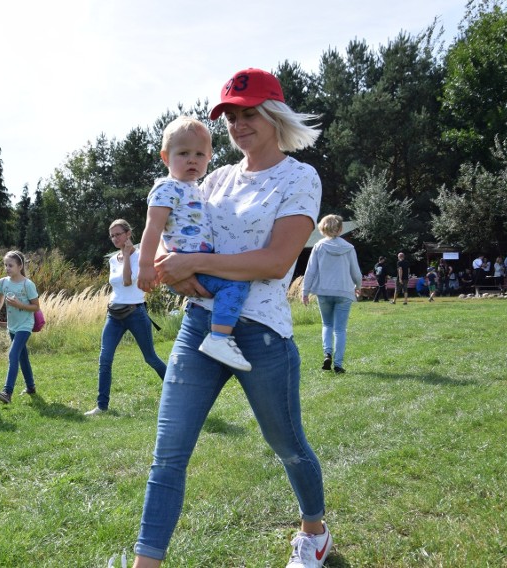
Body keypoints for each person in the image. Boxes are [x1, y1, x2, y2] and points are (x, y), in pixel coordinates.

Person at [132, 68, 331, 568]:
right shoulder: (213, 178)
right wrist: (172, 273)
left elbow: (275, 263)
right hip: (199, 326)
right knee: (168, 455)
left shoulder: (299, 177)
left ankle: (314, 531)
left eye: (249, 114)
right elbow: (177, 246)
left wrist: (194, 264)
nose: (239, 125)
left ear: (274, 115)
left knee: (287, 445)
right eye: (230, 117)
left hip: (261, 333)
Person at [137, 116, 251, 371]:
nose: (192, 160)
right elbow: (153, 228)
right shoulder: (166, 188)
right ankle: (220, 338)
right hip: (183, 266)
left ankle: (218, 333)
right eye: (183, 153)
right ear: (165, 158)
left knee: (230, 284)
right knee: (236, 285)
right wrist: (146, 266)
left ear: (210, 157)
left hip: (198, 264)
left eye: (200, 154)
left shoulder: (196, 189)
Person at [85, 220, 168, 416]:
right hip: (113, 314)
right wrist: (123, 255)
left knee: (150, 358)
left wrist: (128, 255)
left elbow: (128, 281)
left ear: (128, 233)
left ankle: (177, 392)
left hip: (135, 313)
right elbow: (117, 285)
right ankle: (101, 406)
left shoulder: (141, 257)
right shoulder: (113, 259)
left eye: (118, 234)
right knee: (104, 359)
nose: (115, 238)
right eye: (112, 236)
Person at [301, 214, 362, 374]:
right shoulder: (349, 248)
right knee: (340, 329)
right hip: (344, 291)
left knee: (327, 324)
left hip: (324, 291)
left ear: (323, 228)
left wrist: (305, 291)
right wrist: (358, 285)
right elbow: (355, 271)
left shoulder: (318, 246)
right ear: (340, 229)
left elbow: (310, 271)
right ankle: (339, 364)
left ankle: (327, 353)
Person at [0, 251, 40, 404]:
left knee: (13, 355)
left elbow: (36, 307)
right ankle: (31, 387)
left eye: (10, 265)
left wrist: (19, 305)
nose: (7, 268)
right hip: (12, 326)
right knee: (22, 356)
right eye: (5, 265)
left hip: (25, 326)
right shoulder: (3, 282)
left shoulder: (28, 284)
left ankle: (7, 392)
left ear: (20, 266)